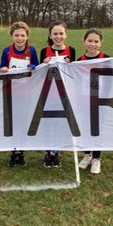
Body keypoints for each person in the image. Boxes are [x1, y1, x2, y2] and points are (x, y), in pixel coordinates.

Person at [0, 22, 38, 167]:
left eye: (23, 35)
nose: (20, 38)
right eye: (17, 35)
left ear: (27, 36)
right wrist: (3, 68)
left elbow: (37, 65)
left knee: (23, 121)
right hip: (11, 91)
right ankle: (13, 150)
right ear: (12, 36)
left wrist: (32, 66)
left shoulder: (31, 50)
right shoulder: (6, 51)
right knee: (12, 122)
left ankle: (21, 151)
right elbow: (2, 65)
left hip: (26, 92)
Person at [38, 22, 75, 167]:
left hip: (64, 93)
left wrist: (70, 63)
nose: (58, 36)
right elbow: (39, 74)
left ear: (65, 34)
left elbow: (73, 71)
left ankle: (57, 151)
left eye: (61, 33)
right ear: (50, 35)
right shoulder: (44, 51)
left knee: (60, 123)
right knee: (48, 123)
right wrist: (44, 63)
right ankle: (49, 152)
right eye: (55, 34)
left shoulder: (70, 50)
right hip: (48, 93)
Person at [76, 29, 108, 175]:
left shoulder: (107, 60)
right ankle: (87, 154)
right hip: (83, 101)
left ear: (100, 43)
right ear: (84, 41)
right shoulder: (79, 61)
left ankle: (96, 158)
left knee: (97, 129)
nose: (93, 44)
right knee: (85, 128)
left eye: (96, 41)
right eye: (90, 41)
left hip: (101, 102)